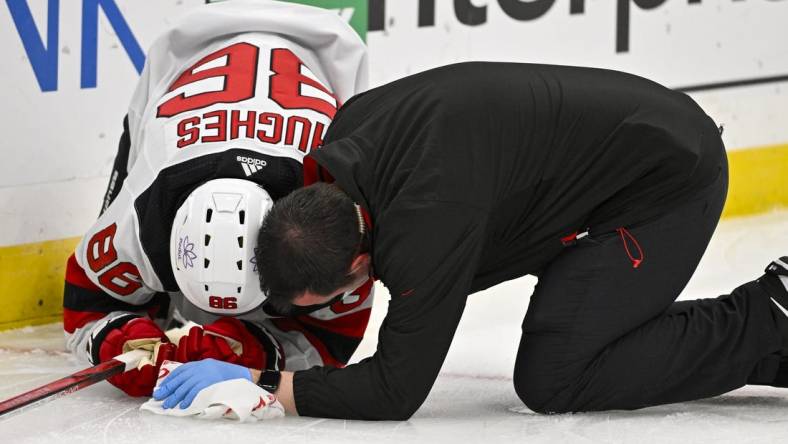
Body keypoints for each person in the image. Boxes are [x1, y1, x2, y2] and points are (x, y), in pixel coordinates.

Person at [153, 61, 788, 420]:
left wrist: (261, 382)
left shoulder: (426, 225)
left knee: (556, 377)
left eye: (336, 293)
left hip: (666, 180)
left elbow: (395, 391)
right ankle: (775, 355)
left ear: (358, 260)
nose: (341, 301)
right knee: (572, 335)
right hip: (609, 153)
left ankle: (770, 311)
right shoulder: (346, 138)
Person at [62, 0, 373, 401]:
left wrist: (249, 348)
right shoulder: (139, 223)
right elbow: (86, 302)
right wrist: (121, 339)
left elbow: (334, 343)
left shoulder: (329, 213)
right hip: (183, 55)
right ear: (167, 250)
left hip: (329, 55)